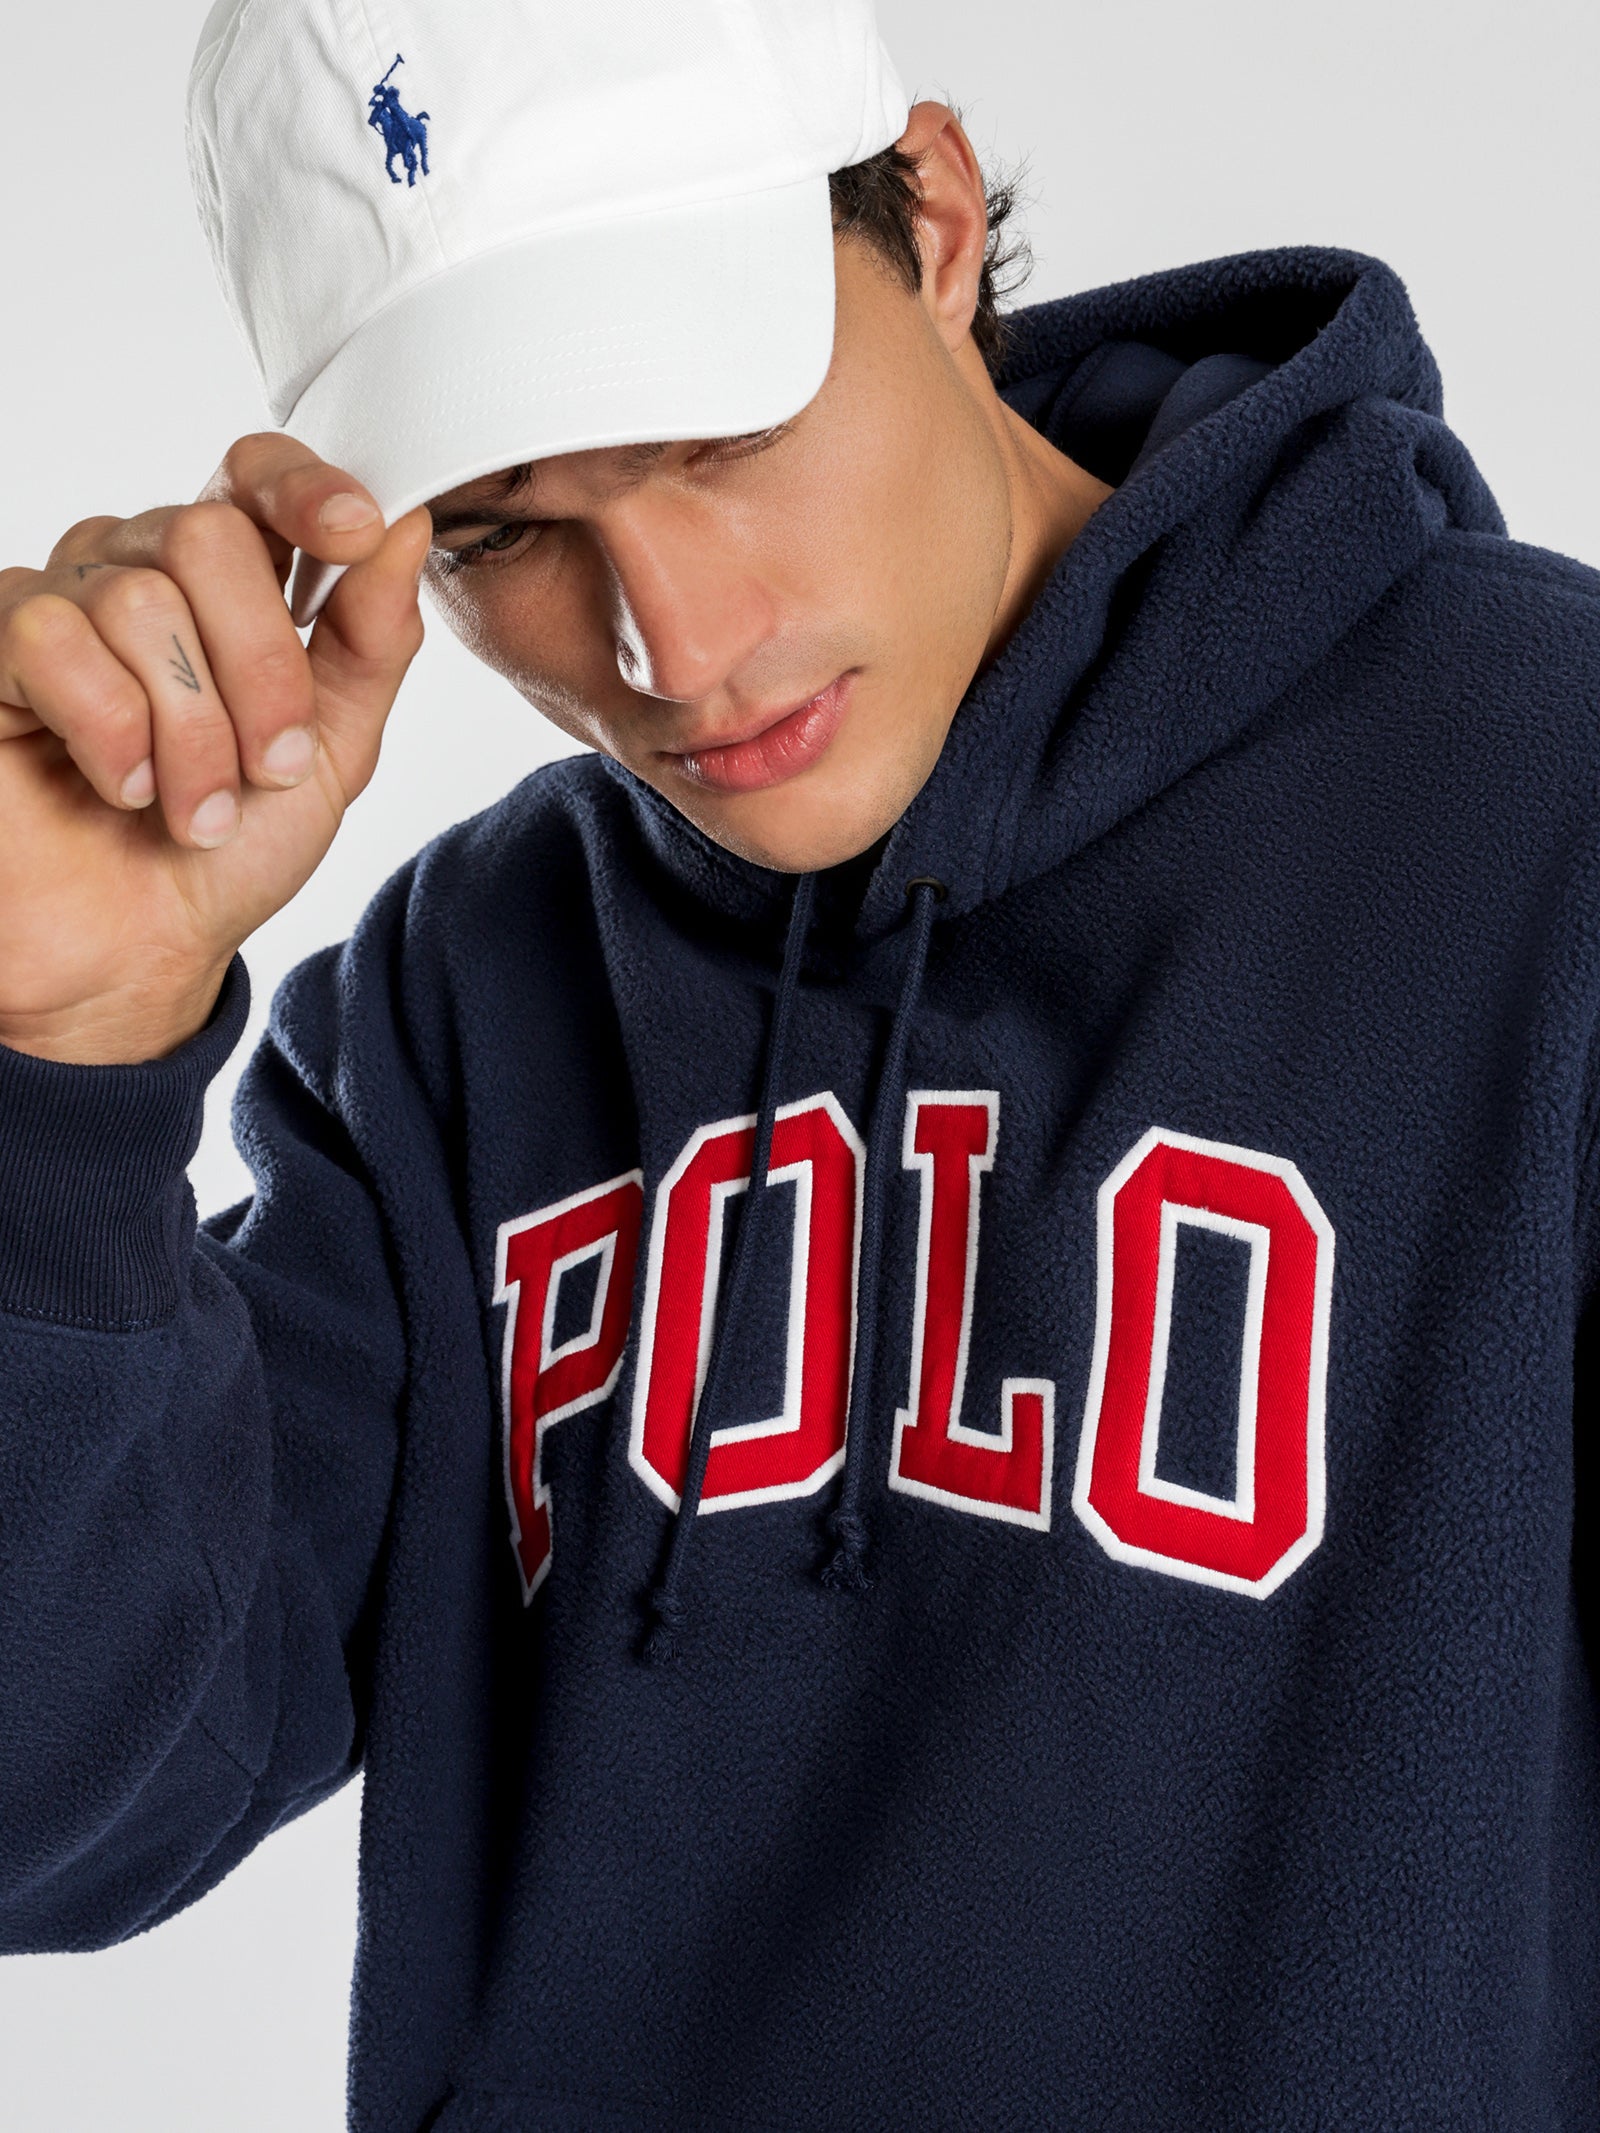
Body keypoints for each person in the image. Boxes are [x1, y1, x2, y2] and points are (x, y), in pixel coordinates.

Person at [1, 0, 1596, 2126]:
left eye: (714, 430)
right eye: (497, 529)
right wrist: (61, 1072)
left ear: (929, 219)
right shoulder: (457, 1001)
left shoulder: (1546, 815)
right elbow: (57, 1805)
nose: (668, 641)